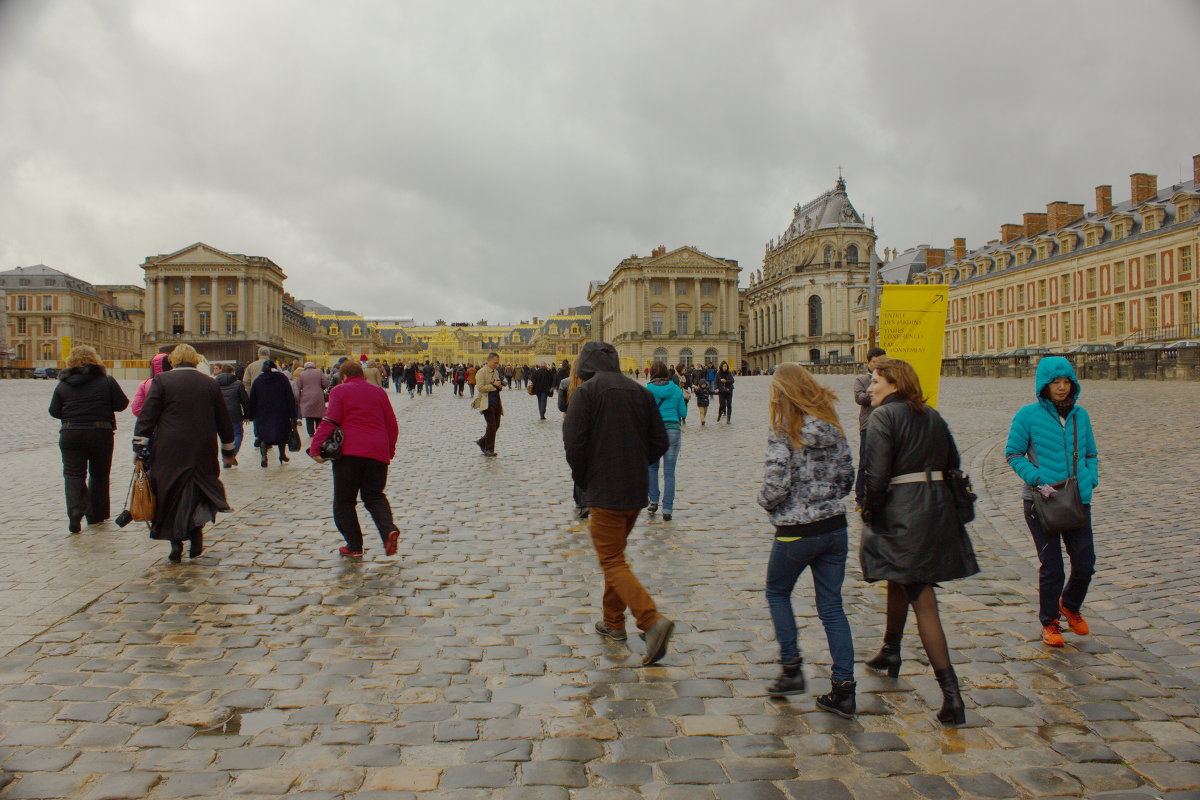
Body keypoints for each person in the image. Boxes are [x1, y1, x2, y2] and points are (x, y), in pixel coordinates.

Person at [859, 358, 978, 727]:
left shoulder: (883, 418)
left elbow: (875, 475)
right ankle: (890, 651)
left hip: (904, 513)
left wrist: (868, 510)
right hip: (937, 509)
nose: (869, 388)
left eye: (875, 381)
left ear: (894, 384)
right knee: (902, 578)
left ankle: (951, 695)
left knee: (922, 597)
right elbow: (953, 462)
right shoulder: (933, 416)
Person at [563, 341, 673, 665]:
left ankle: (652, 621)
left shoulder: (586, 393)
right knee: (617, 556)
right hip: (635, 490)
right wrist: (639, 463)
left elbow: (573, 444)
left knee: (611, 559)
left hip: (606, 489)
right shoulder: (640, 391)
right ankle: (613, 621)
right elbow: (660, 441)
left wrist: (585, 479)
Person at [757, 364, 856, 715]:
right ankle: (844, 687)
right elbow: (847, 478)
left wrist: (765, 502)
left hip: (796, 529)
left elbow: (775, 486)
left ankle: (791, 668)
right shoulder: (834, 427)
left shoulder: (785, 428)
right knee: (831, 607)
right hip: (834, 527)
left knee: (777, 592)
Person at [1005, 356, 1099, 648]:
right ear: (1043, 385)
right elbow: (1013, 453)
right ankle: (1049, 623)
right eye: (1055, 382)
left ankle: (1069, 605)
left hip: (1076, 499)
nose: (1061, 387)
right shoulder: (1028, 415)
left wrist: (1090, 478)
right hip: (1040, 502)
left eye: (1066, 381)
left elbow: (1091, 453)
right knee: (1052, 566)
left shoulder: (1080, 415)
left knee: (1085, 562)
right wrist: (1037, 479)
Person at [133, 344, 236, 563]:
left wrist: (140, 445)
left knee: (169, 491)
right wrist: (228, 448)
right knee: (199, 489)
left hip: (170, 447)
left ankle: (175, 543)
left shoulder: (162, 381)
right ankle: (196, 531)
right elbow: (223, 419)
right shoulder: (209, 383)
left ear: (173, 361)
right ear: (196, 361)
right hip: (202, 446)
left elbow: (147, 416)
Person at [309, 360, 400, 558]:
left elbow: (330, 421)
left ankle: (354, 545)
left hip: (349, 453)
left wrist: (315, 447)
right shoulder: (379, 392)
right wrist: (389, 451)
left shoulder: (340, 391)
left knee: (344, 501)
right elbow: (392, 424)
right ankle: (388, 530)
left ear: (343, 376)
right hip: (377, 451)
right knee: (375, 496)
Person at [49, 345, 130, 533]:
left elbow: (54, 411)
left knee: (72, 474)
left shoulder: (63, 384)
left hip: (71, 434)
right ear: (95, 360)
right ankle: (96, 515)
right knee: (99, 474)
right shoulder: (106, 381)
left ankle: (75, 513)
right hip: (100, 432)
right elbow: (122, 404)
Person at [644, 361, 687, 521]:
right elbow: (683, 412)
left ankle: (654, 500)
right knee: (669, 472)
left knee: (652, 468)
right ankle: (667, 509)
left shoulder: (648, 389)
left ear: (652, 373)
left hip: (654, 431)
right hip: (673, 430)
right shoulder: (676, 389)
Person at [248, 360, 299, 468]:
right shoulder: (282, 378)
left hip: (262, 411)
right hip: (281, 410)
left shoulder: (258, 380)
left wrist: (251, 414)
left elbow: (253, 399)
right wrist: (293, 414)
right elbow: (290, 397)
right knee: (281, 433)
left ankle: (264, 457)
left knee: (263, 435)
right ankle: (282, 455)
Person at [853, 347, 887, 500]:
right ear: (868, 363)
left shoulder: (890, 378)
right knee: (865, 461)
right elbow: (860, 398)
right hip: (869, 424)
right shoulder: (861, 380)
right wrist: (877, 387)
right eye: (875, 362)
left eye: (882, 362)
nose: (878, 365)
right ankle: (860, 496)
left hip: (888, 424)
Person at [557, 355, 588, 518]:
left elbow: (561, 406)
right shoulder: (593, 383)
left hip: (571, 423)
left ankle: (581, 501)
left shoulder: (565, 383)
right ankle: (584, 499)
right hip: (591, 423)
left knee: (577, 461)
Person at [215, 364, 250, 464]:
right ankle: (231, 455)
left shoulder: (215, 383)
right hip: (235, 415)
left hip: (220, 415)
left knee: (224, 438)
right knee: (238, 434)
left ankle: (225, 460)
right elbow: (245, 401)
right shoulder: (238, 383)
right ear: (232, 372)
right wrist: (247, 415)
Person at [472, 353, 503, 456]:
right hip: (486, 402)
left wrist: (499, 386)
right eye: (495, 363)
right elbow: (480, 388)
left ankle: (482, 442)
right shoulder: (481, 372)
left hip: (496, 401)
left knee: (496, 425)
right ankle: (489, 449)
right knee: (491, 425)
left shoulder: (496, 371)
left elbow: (497, 384)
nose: (497, 365)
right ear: (488, 361)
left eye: (497, 363)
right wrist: (493, 386)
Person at [131, 352, 171, 416]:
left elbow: (136, 409)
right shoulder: (176, 381)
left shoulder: (144, 384)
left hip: (152, 423)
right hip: (172, 422)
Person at [295, 362, 329, 436]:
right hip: (318, 396)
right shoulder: (319, 372)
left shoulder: (302, 374)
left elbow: (298, 386)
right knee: (318, 414)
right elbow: (325, 384)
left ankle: (311, 433)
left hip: (306, 396)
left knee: (309, 416)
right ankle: (319, 430)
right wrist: (321, 388)